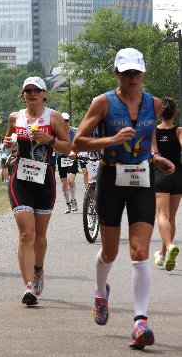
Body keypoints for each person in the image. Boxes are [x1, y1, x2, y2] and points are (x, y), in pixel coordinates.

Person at [72, 48, 175, 350]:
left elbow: (150, 141)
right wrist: (111, 140)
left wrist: (157, 158)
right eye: (126, 72)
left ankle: (140, 322)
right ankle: (100, 292)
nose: (132, 78)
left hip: (142, 178)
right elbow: (78, 141)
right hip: (111, 178)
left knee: (140, 250)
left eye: (137, 72)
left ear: (143, 73)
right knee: (110, 252)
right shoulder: (103, 103)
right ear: (116, 73)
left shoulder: (153, 104)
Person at [4, 76, 71, 306]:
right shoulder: (16, 117)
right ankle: (28, 286)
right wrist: (7, 144)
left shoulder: (53, 117)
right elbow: (8, 140)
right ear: (23, 94)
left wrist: (49, 139)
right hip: (20, 178)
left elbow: (67, 147)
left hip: (44, 180)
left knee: (40, 238)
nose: (31, 94)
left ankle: (38, 270)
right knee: (26, 234)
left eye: (36, 90)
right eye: (27, 90)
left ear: (44, 94)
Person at [154, 97, 181, 270]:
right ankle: (163, 254)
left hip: (160, 175)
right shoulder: (179, 131)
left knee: (162, 216)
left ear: (159, 114)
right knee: (171, 217)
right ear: (175, 113)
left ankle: (169, 247)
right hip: (178, 176)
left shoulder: (153, 132)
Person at [57, 112, 79, 213]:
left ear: (70, 121)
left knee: (71, 180)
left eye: (67, 121)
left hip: (72, 157)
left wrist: (76, 152)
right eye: (63, 121)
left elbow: (80, 142)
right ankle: (68, 203)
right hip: (61, 158)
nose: (65, 123)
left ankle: (73, 199)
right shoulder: (57, 132)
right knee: (64, 182)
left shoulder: (75, 131)